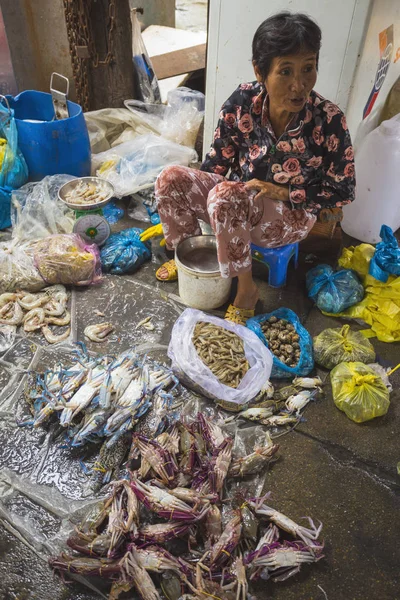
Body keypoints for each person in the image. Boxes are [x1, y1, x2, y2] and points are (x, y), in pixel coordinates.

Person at [146, 11, 355, 324]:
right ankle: (188, 253)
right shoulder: (243, 101)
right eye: (286, 72)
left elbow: (343, 190)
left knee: (224, 196)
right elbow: (216, 162)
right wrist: (212, 195)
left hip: (290, 215)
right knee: (170, 178)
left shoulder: (329, 121)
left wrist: (282, 191)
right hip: (236, 202)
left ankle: (246, 291)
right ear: (261, 71)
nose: (299, 85)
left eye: (308, 69)